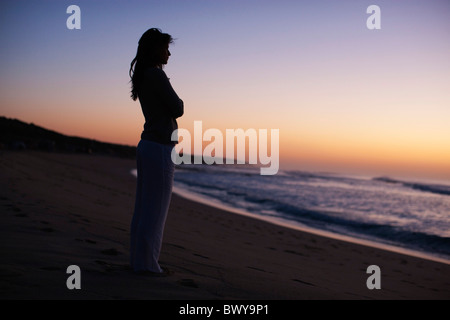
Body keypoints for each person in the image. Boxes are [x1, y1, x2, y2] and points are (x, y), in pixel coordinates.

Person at [129, 28, 183, 276]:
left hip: (148, 145)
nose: (169, 53)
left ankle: (140, 261)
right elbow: (178, 107)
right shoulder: (156, 76)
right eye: (165, 48)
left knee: (144, 208)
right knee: (156, 210)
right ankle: (148, 265)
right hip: (160, 148)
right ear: (155, 50)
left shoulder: (144, 76)